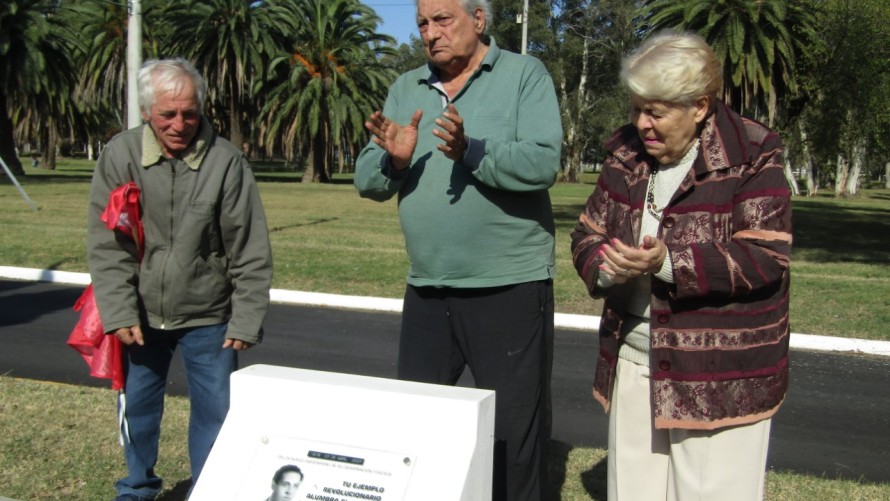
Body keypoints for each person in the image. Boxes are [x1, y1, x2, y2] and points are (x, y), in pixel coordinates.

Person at [570, 31, 792, 501]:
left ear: (699, 105)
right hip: (634, 358)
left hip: (719, 372)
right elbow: (586, 231)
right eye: (636, 108)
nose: (642, 124)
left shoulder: (753, 152)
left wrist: (668, 263)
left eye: (657, 111)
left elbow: (763, 256)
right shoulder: (625, 153)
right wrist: (609, 266)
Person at [354, 1, 562, 499]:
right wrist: (395, 161)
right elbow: (365, 178)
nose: (431, 33)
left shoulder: (523, 75)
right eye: (423, 23)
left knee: (514, 437)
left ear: (479, 19)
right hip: (427, 287)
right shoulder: (407, 88)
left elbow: (541, 162)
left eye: (443, 19)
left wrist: (472, 150)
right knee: (418, 430)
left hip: (508, 286)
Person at [87, 57, 273, 501]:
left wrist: (246, 320)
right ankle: (137, 486)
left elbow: (249, 247)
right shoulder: (120, 155)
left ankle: (208, 490)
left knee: (216, 413)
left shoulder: (226, 162)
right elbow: (108, 245)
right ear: (147, 112)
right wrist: (117, 311)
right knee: (139, 408)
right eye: (168, 114)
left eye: (190, 113)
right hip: (139, 315)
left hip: (209, 317)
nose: (180, 124)